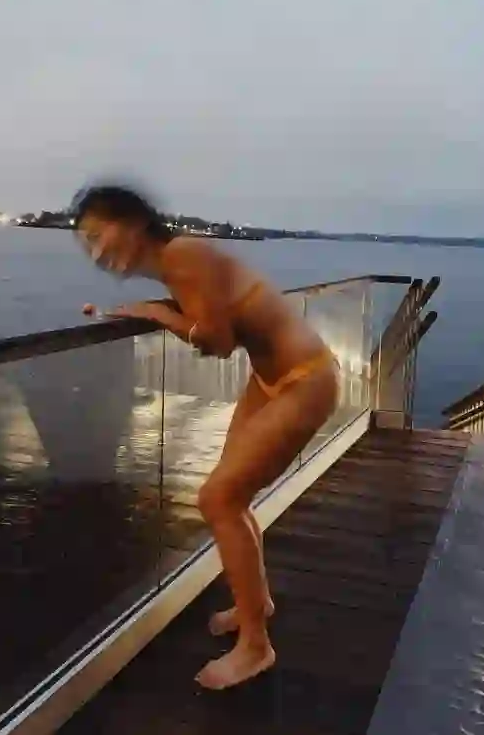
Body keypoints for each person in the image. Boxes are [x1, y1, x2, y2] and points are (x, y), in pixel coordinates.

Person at [71, 183, 338, 690]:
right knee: (231, 498)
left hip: (305, 380)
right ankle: (255, 604)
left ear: (133, 222)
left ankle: (256, 646)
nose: (97, 252)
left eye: (99, 235)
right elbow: (208, 313)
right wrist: (150, 308)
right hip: (272, 378)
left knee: (218, 499)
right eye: (87, 244)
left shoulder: (183, 253)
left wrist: (157, 314)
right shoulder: (177, 265)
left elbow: (217, 341)